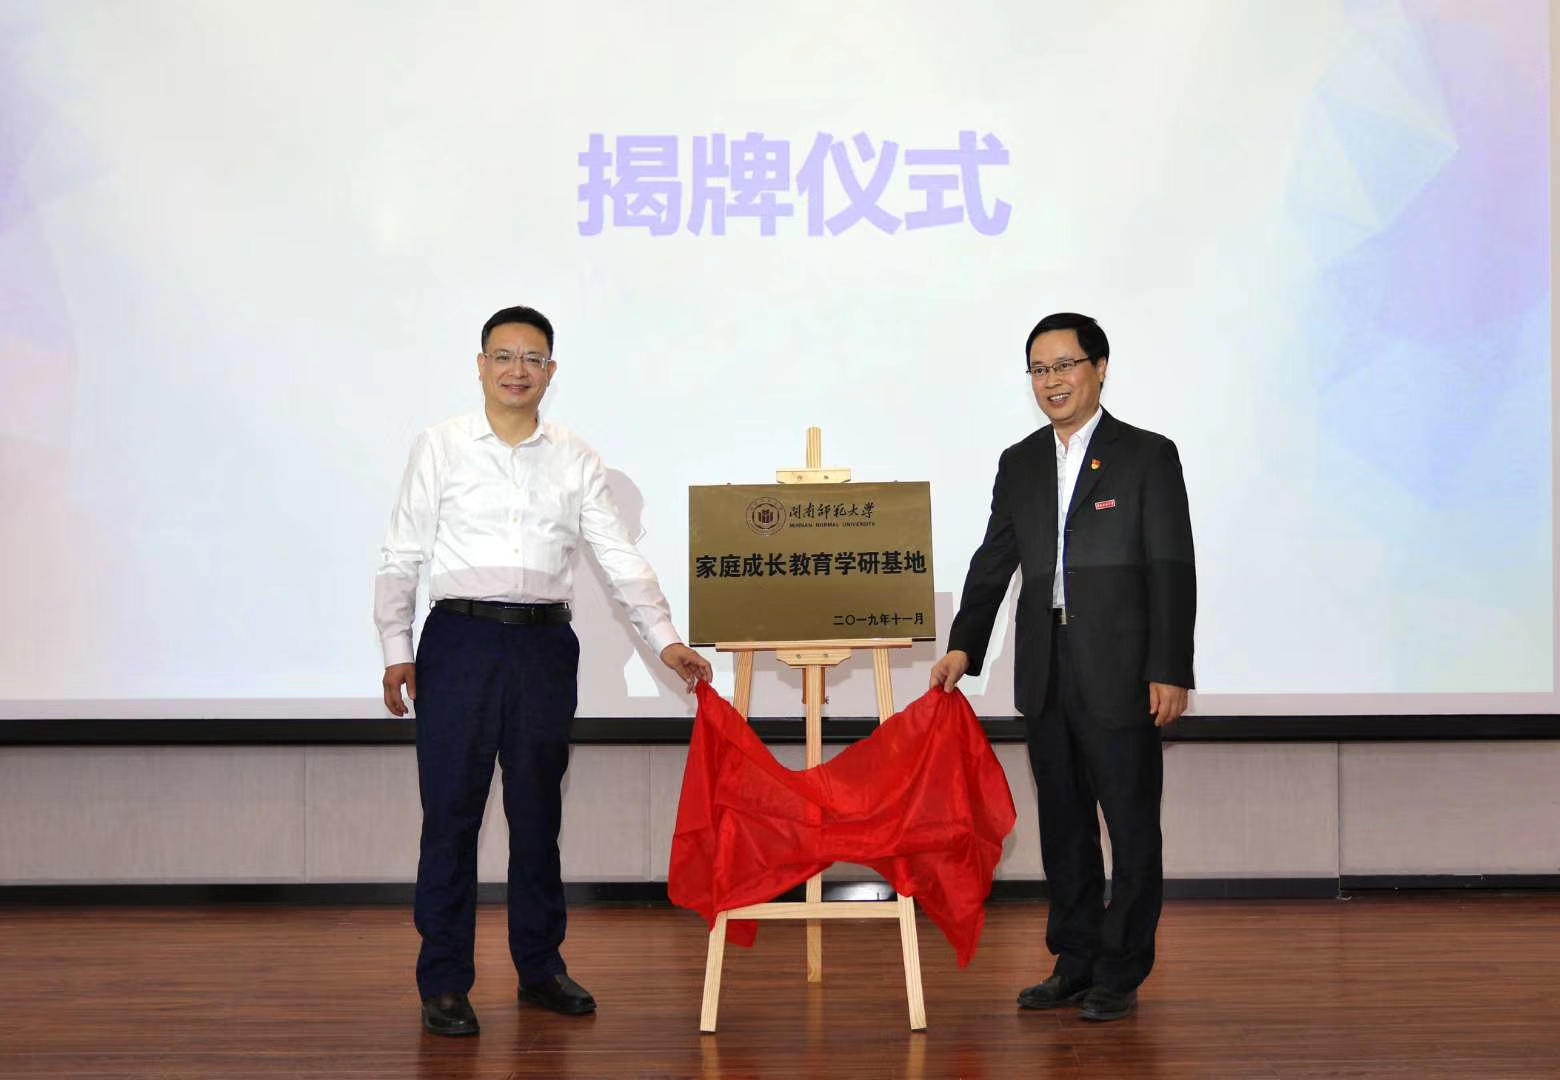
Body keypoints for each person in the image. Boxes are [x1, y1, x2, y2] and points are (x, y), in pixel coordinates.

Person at [374, 305, 712, 1037]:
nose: (517, 370)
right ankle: (444, 981)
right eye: (504, 356)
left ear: (551, 372)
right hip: (459, 641)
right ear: (481, 365)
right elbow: (402, 553)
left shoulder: (575, 457)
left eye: (532, 358)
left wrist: (665, 640)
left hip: (542, 648)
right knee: (451, 816)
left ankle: (540, 967)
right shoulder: (439, 445)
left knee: (536, 816)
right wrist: (396, 645)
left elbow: (617, 556)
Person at [930, 312, 1195, 1022]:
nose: (1052, 381)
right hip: (1047, 665)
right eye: (1040, 370)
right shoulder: (1019, 461)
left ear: (1099, 369)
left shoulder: (1147, 455)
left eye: (1065, 365)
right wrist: (964, 644)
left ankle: (1121, 970)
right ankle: (1074, 962)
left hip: (1123, 669)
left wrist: (1171, 667)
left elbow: (1172, 566)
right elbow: (995, 559)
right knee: (1065, 825)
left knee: (1130, 827)